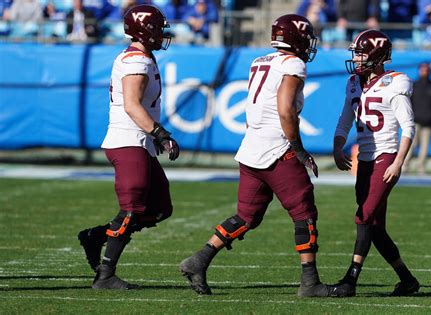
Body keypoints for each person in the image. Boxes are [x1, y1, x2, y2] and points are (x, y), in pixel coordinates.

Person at [179, 14, 329, 298]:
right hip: (276, 149)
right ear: (295, 38)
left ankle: (199, 260)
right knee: (304, 212)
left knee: (247, 216)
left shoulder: (259, 61)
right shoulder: (292, 63)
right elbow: (285, 110)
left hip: (251, 148)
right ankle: (310, 282)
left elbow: (255, 109)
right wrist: (298, 149)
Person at [77, 4, 179, 290]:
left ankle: (97, 236)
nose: (162, 34)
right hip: (128, 140)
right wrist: (161, 133)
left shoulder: (143, 56)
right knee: (132, 208)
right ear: (144, 31)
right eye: (157, 29)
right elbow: (132, 105)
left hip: (139, 141)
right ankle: (105, 275)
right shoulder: (138, 61)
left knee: (160, 208)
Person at [330, 29, 419, 297]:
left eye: (360, 53)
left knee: (364, 217)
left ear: (377, 56)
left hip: (386, 156)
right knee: (375, 228)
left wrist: (399, 162)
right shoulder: (354, 82)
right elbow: (346, 116)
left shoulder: (395, 82)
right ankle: (407, 280)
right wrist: (337, 144)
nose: (356, 59)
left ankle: (351, 280)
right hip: (366, 160)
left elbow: (408, 126)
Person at [405, 62, 431, 174]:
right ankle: (405, 165)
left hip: (428, 122)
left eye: (426, 70)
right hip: (415, 121)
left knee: (425, 146)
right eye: (422, 69)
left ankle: (420, 167)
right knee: (411, 144)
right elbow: (408, 103)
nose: (424, 72)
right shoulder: (413, 85)